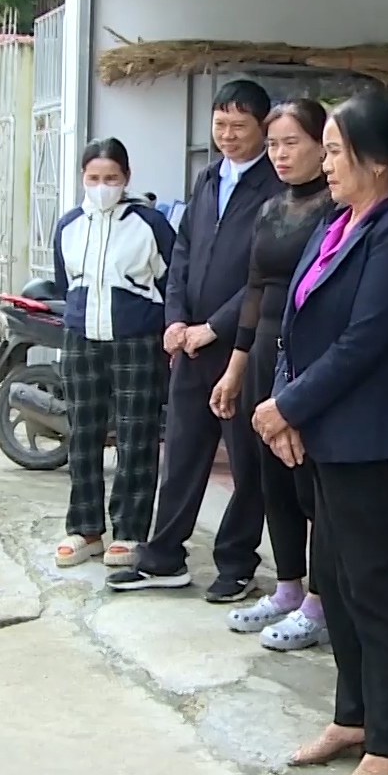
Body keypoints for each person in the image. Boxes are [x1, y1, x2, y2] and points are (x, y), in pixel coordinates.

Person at [251, 89, 388, 775]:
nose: (323, 164)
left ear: (376, 159)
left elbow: (364, 342)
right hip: (321, 433)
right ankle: (351, 718)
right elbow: (294, 322)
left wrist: (287, 405)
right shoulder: (336, 223)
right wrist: (283, 406)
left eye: (333, 150)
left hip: (369, 439)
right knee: (333, 579)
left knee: (372, 592)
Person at [107, 80, 280, 602]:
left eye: (239, 126)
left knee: (245, 461)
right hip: (190, 343)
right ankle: (164, 555)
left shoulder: (274, 189)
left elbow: (263, 276)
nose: (227, 136)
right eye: (220, 124)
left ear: (263, 128)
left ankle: (236, 561)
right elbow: (182, 254)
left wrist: (216, 328)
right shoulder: (208, 179)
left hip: (240, 346)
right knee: (181, 450)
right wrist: (176, 318)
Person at [209, 99, 332, 651]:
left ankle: (322, 601)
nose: (281, 155)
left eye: (293, 143)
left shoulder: (337, 208)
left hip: (310, 350)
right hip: (264, 349)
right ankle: (287, 586)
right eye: (275, 144)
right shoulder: (272, 206)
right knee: (268, 476)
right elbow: (255, 289)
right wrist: (236, 368)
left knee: (313, 481)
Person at [50, 138, 176, 567]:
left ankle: (129, 531)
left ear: (127, 178)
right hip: (82, 337)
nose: (103, 186)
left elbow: (171, 280)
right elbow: (64, 282)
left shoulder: (149, 224)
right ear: (82, 178)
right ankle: (85, 529)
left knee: (135, 433)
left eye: (112, 178)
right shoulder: (68, 225)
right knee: (83, 433)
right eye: (94, 178)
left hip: (137, 340)